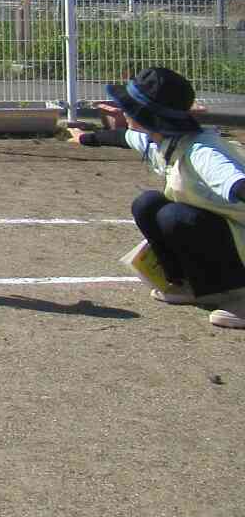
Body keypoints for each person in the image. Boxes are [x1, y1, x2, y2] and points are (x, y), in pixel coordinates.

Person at [80, 65, 245, 331]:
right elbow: (124, 136)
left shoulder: (202, 151)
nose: (123, 109)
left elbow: (237, 182)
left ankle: (239, 297)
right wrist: (86, 137)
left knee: (175, 216)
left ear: (149, 116)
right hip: (230, 235)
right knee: (147, 204)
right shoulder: (160, 139)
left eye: (129, 106)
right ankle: (191, 284)